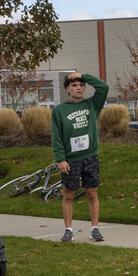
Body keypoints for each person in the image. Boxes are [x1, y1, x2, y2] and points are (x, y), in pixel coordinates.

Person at [51, 70, 111, 242]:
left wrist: (84, 75)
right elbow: (56, 137)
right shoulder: (59, 110)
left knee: (92, 193)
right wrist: (60, 159)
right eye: (74, 85)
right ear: (67, 89)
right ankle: (68, 230)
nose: (78, 88)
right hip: (70, 159)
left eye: (81, 85)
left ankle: (95, 229)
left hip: (90, 157)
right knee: (68, 194)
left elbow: (103, 87)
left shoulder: (92, 104)